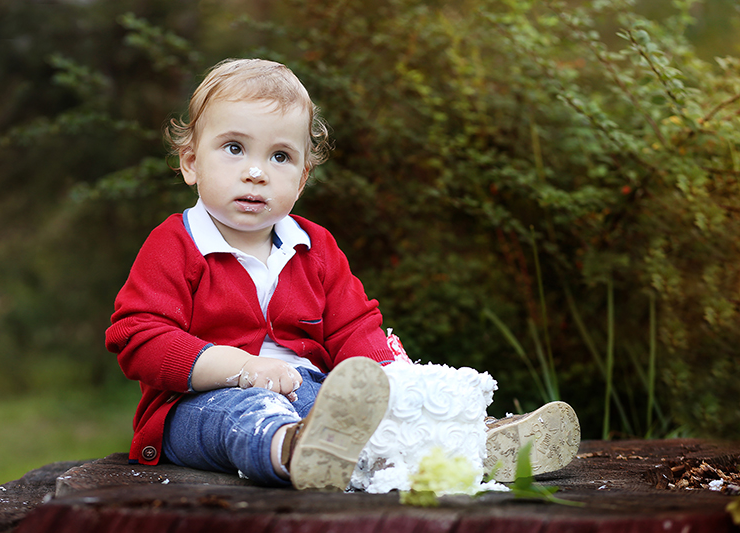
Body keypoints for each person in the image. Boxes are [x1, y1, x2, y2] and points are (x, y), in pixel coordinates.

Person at [106, 58, 579, 492]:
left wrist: (400, 390)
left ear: (302, 178)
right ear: (191, 162)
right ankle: (292, 449)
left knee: (368, 413)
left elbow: (355, 329)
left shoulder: (315, 248)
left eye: (280, 157)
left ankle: (462, 445)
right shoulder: (176, 244)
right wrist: (240, 367)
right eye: (234, 148)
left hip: (311, 395)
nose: (256, 172)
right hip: (198, 403)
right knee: (247, 413)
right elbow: (139, 336)